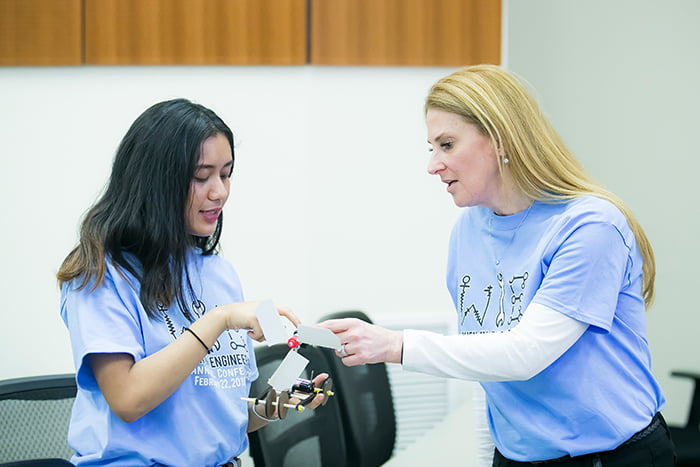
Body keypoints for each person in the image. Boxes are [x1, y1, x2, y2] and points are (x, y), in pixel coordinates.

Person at [318, 65, 675, 466]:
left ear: (501, 139)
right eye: (431, 148)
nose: (433, 165)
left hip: (611, 458)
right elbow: (485, 365)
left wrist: (394, 344)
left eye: (447, 145)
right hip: (516, 457)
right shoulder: (468, 230)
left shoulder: (590, 226)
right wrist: (488, 454)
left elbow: (526, 355)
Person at [57, 98, 326, 466]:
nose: (219, 192)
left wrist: (270, 405)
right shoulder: (102, 275)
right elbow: (128, 400)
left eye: (226, 174)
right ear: (155, 182)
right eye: (202, 177)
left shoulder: (218, 273)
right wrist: (218, 319)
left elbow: (213, 417)